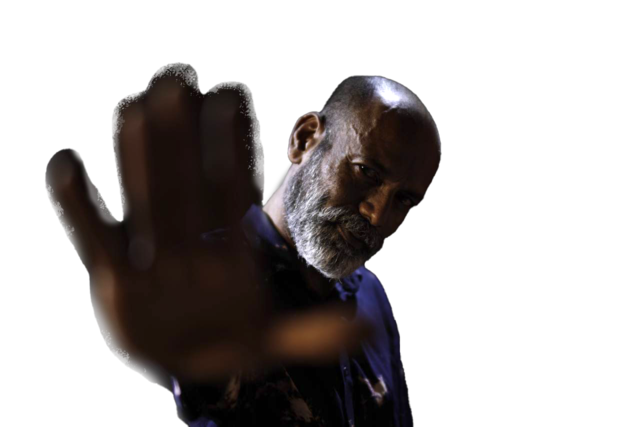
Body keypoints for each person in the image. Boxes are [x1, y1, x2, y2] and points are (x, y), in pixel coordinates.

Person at [44, 63, 441, 426]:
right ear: (304, 140)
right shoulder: (189, 284)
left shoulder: (373, 295)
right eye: (366, 171)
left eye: (404, 200)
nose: (377, 214)